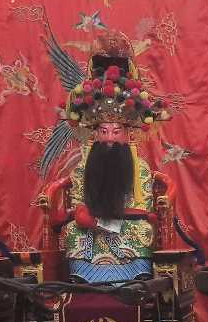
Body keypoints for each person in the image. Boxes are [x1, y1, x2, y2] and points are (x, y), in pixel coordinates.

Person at [45, 30, 163, 283]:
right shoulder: (82, 168)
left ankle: (132, 282)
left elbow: (143, 209)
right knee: (74, 232)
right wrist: (84, 215)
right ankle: (86, 284)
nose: (109, 138)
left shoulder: (140, 167)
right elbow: (79, 203)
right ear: (95, 134)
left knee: (142, 231)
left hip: (127, 224)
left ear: (127, 134)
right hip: (91, 226)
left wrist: (112, 219)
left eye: (116, 131)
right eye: (104, 131)